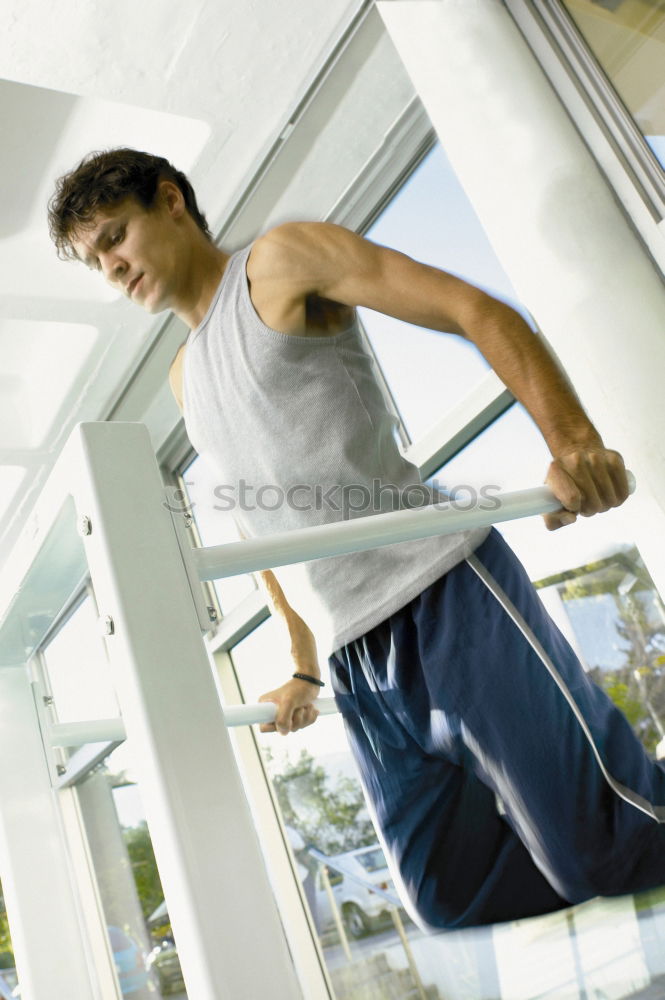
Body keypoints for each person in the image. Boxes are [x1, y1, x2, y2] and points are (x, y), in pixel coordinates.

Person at [48, 148, 665, 930]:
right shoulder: (184, 378)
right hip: (355, 659)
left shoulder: (279, 262)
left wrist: (571, 438)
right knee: (446, 892)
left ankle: (602, 825)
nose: (110, 267)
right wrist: (302, 668)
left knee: (601, 846)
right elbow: (255, 523)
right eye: (93, 259)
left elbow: (474, 309)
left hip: (441, 595)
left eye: (114, 237)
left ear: (170, 201)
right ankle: (589, 826)